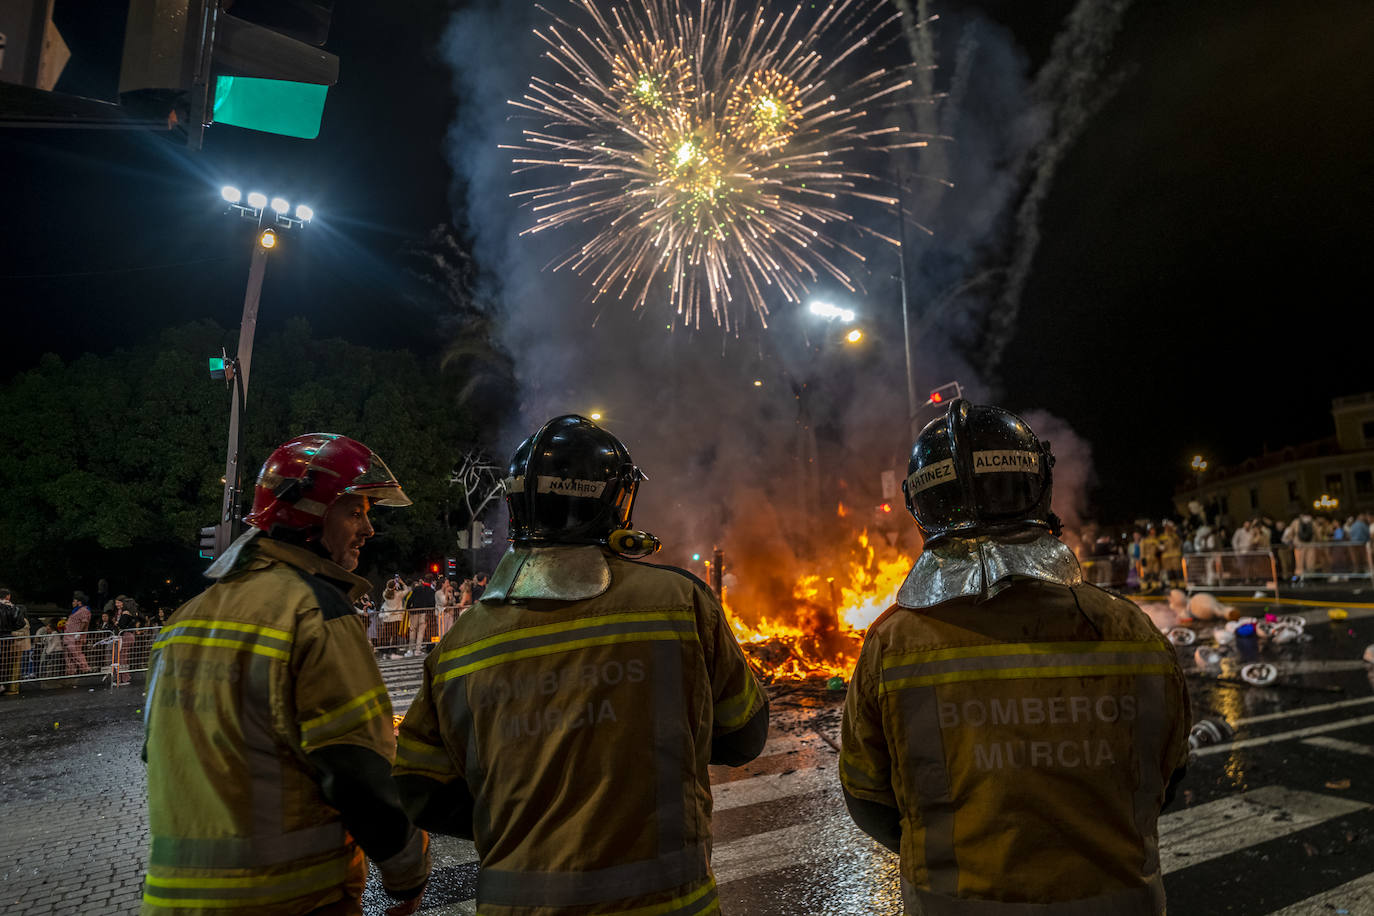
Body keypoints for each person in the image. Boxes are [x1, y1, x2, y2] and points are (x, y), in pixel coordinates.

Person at [394, 414, 768, 915]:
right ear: (611, 501)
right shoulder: (678, 602)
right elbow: (743, 736)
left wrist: (519, 813)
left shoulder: (459, 645)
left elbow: (419, 788)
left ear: (519, 504)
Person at [840, 399, 1191, 916]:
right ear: (1038, 486)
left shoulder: (893, 645)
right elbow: (1171, 777)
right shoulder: (1127, 628)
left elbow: (869, 800)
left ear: (921, 505)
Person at [140, 433, 430, 916]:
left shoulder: (181, 620)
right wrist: (408, 873)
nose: (369, 530)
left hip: (171, 901)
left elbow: (161, 752)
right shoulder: (313, 612)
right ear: (311, 517)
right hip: (289, 899)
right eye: (355, 512)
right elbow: (359, 768)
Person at [1, 588, 30, 695]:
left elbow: (23, 633)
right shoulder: (15, 617)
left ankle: (13, 689)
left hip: (18, 646)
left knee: (15, 668)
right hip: (14, 646)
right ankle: (9, 687)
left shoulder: (24, 621)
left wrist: (11, 633)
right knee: (11, 667)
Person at [403, 576, 436, 658]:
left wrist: (408, 608)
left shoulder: (417, 589)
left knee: (412, 630)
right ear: (431, 582)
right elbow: (431, 603)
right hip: (424, 612)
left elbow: (410, 599)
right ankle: (418, 650)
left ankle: (410, 649)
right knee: (421, 632)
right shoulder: (431, 591)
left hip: (414, 611)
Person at [63, 591, 93, 678]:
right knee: (69, 655)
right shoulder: (76, 611)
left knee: (76, 653)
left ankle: (86, 669)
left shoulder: (84, 610)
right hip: (68, 636)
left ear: (79, 602)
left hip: (74, 637)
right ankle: (71, 672)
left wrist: (79, 632)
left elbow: (84, 622)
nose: (73, 603)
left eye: (74, 601)